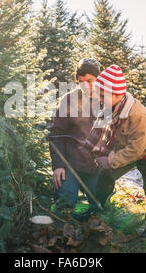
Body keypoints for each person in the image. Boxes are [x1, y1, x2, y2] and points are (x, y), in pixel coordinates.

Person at [79, 64, 146, 237]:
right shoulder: (109, 107)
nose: (100, 99)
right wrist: (86, 149)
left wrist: (109, 160)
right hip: (124, 148)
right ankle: (98, 209)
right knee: (104, 175)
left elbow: (136, 149)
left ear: (116, 94)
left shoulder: (137, 114)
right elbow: (98, 130)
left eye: (103, 95)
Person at [49, 58, 102, 221]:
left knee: (101, 208)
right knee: (64, 206)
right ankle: (68, 192)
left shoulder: (108, 100)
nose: (86, 86)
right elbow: (55, 135)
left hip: (96, 166)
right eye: (81, 81)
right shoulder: (68, 100)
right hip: (71, 165)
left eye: (90, 81)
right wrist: (58, 165)